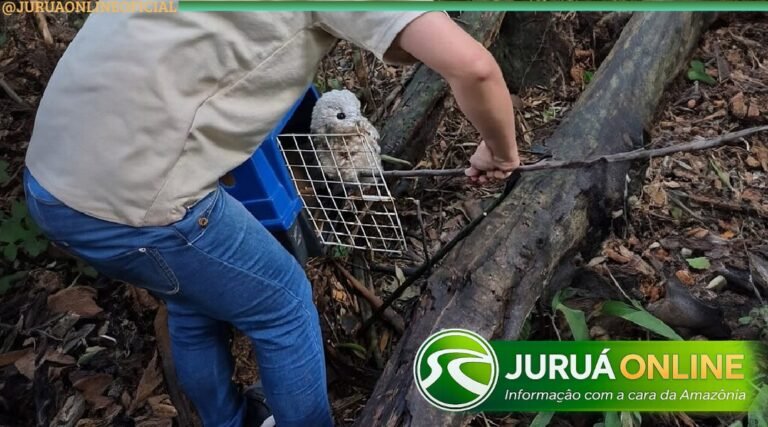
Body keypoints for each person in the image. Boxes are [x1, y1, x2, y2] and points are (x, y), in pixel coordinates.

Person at [23, 10, 520, 427]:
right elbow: (473, 67)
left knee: (193, 302)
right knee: (283, 303)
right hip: (135, 208)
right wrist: (500, 150)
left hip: (53, 180)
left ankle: (226, 420)